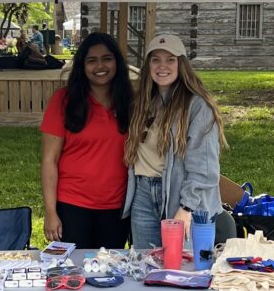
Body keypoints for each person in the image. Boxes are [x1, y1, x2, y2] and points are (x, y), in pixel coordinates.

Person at [124, 33, 227, 250]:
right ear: (148, 65)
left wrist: (187, 207)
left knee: (181, 269)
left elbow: (206, 166)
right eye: (156, 59)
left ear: (181, 64)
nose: (163, 66)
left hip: (180, 195)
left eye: (170, 59)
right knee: (146, 264)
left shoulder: (198, 106)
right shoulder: (143, 101)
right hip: (143, 193)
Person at [40, 32, 133, 250]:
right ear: (82, 66)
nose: (100, 66)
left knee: (110, 273)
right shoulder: (64, 101)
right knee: (73, 274)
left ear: (117, 62)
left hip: (117, 207)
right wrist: (51, 212)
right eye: (92, 60)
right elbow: (48, 160)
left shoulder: (130, 102)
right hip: (72, 205)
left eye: (107, 58)